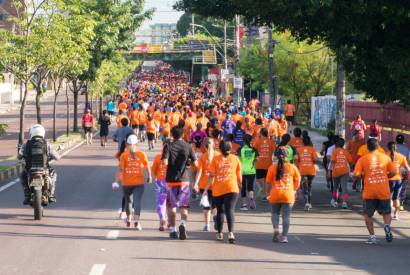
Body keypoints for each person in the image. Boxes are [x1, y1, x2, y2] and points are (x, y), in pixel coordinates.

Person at [353, 138, 396, 244]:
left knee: (368, 215)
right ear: (378, 146)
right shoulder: (386, 157)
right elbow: (394, 172)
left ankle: (372, 237)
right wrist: (386, 176)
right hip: (383, 190)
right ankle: (386, 226)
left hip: (369, 191)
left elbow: (356, 175)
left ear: (367, 147)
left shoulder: (363, 159)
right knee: (386, 213)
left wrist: (362, 178)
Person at [162, 126, 198, 240]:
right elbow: (196, 164)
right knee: (184, 206)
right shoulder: (188, 146)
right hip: (184, 180)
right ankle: (183, 223)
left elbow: (165, 162)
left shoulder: (168, 145)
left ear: (172, 134)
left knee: (171, 207)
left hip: (171, 181)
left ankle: (173, 230)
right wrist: (187, 164)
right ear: (183, 135)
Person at [205, 140, 241, 243]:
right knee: (230, 210)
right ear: (230, 148)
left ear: (220, 149)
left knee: (220, 211)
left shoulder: (215, 159)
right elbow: (239, 174)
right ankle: (231, 233)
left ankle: (220, 233)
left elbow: (211, 175)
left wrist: (206, 189)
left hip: (218, 189)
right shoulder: (235, 158)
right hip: (232, 188)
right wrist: (240, 183)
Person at [115, 135, 151, 230]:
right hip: (138, 182)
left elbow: (121, 169)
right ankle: (137, 222)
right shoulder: (142, 154)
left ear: (127, 144)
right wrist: (149, 176)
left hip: (126, 183)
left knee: (128, 201)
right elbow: (147, 166)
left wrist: (116, 181)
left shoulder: (123, 155)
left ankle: (129, 219)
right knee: (137, 201)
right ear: (137, 143)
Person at [265, 146, 301, 243]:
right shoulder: (292, 167)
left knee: (274, 213)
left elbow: (268, 183)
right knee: (286, 216)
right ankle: (284, 237)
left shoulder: (272, 168)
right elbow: (298, 180)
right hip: (288, 195)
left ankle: (276, 229)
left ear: (276, 156)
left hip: (275, 194)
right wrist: (294, 190)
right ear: (287, 156)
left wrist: (268, 194)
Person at [18, 124, 60, 204]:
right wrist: (55, 157)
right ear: (42, 133)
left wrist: (22, 156)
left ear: (31, 133)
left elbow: (19, 156)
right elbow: (56, 156)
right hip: (43, 169)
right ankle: (51, 194)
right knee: (54, 175)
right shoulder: (47, 144)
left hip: (30, 170)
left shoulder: (26, 145)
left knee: (23, 176)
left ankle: (27, 195)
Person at [194, 138, 219, 231]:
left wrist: (195, 184)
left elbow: (199, 172)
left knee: (206, 206)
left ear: (204, 146)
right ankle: (216, 219)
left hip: (204, 185)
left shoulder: (202, 157)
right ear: (213, 145)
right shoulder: (218, 156)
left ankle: (206, 225)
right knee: (215, 205)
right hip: (216, 184)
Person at [386, 142, 410, 220]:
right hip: (399, 179)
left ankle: (389, 211)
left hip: (389, 179)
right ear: (396, 147)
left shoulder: (385, 155)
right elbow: (408, 168)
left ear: (388, 147)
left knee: (389, 196)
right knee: (396, 198)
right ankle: (396, 214)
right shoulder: (401, 156)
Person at [329, 138, 353, 209]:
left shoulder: (335, 151)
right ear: (343, 145)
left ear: (337, 144)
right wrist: (349, 167)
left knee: (335, 187)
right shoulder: (346, 152)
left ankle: (334, 200)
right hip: (344, 172)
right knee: (344, 188)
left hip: (335, 172)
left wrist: (331, 170)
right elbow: (351, 162)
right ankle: (344, 202)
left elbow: (332, 161)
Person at [253, 128, 276, 201]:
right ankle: (267, 195)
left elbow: (254, 151)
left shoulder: (257, 141)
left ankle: (261, 188)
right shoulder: (271, 142)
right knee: (268, 181)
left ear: (261, 133)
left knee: (258, 179)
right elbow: (274, 152)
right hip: (268, 164)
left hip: (259, 164)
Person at [238, 134, 258, 211]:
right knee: (250, 187)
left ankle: (244, 205)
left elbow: (239, 160)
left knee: (243, 187)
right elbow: (257, 159)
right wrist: (253, 162)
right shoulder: (254, 149)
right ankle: (252, 198)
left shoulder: (240, 149)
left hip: (242, 171)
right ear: (251, 140)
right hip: (251, 170)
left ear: (243, 141)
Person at [151, 145, 169, 231]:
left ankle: (164, 221)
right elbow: (154, 170)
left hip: (163, 182)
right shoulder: (158, 157)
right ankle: (164, 221)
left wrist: (156, 180)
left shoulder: (158, 157)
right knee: (169, 204)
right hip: (167, 182)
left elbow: (153, 171)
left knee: (161, 204)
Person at [396, 134, 410, 210]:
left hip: (394, 170)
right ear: (403, 141)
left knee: (394, 186)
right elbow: (409, 160)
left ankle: (393, 202)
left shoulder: (392, 148)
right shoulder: (407, 150)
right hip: (404, 170)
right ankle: (400, 204)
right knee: (402, 187)